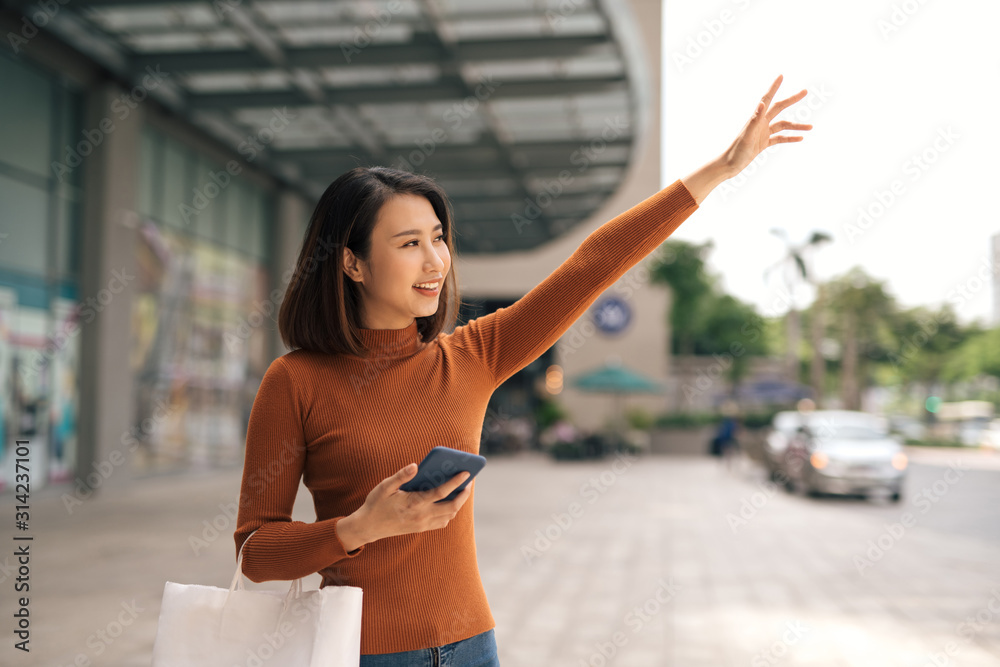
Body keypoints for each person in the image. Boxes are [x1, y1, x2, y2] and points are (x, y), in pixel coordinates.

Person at [233, 74, 812, 665]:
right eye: (408, 244)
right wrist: (355, 529)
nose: (435, 261)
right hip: (363, 654)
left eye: (439, 238)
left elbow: (594, 264)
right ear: (352, 263)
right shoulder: (295, 381)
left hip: (473, 646)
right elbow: (254, 553)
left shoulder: (474, 355)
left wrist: (718, 171)